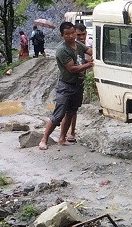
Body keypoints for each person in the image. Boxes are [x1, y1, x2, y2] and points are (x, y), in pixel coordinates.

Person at [39, 22, 93, 150]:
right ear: (62, 35)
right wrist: (89, 65)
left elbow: (90, 51)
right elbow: (72, 69)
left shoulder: (78, 45)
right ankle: (44, 139)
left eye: (72, 33)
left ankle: (62, 138)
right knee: (59, 114)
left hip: (78, 84)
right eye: (67, 34)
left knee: (71, 112)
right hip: (65, 86)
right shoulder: (62, 50)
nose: (71, 36)